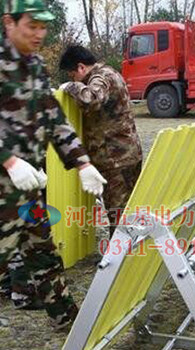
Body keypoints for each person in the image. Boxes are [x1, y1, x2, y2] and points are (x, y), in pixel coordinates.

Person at [0, 0, 107, 328]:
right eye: (32, 26)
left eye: (43, 27)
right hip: (6, 187)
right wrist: (9, 160)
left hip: (30, 188)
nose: (39, 34)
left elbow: (54, 121)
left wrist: (82, 163)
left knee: (43, 254)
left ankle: (68, 321)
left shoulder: (34, 67)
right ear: (9, 22)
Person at [59, 46, 143, 234]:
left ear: (81, 67)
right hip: (125, 154)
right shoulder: (109, 73)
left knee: (119, 215)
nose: (73, 79)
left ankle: (120, 260)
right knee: (128, 211)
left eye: (72, 75)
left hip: (116, 160)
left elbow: (92, 99)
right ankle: (129, 255)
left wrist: (71, 87)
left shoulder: (101, 77)